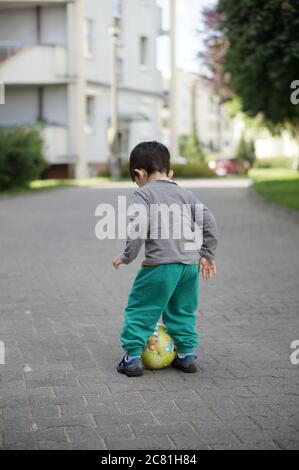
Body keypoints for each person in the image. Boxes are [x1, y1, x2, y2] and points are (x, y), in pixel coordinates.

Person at [112, 141, 218, 377]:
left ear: (138, 173)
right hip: (189, 266)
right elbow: (209, 223)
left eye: (135, 178)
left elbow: (138, 226)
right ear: (170, 173)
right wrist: (207, 255)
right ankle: (186, 355)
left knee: (141, 307)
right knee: (182, 309)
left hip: (160, 265)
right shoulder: (186, 194)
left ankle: (132, 358)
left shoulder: (144, 193)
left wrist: (127, 255)